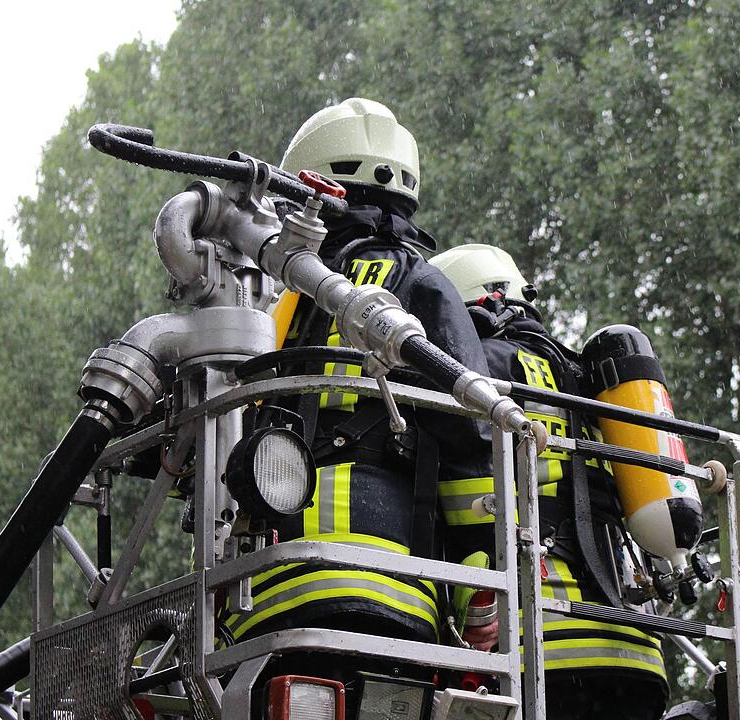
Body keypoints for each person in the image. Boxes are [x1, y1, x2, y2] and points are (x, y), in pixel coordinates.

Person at [222, 99, 492, 692]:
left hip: (267, 589)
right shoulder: (420, 282)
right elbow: (474, 435)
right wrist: (479, 591)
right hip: (395, 584)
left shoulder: (280, 304)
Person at [429, 244, 669, 720]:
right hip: (635, 652)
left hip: (537, 649)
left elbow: (444, 501)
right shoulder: (589, 380)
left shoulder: (470, 370)